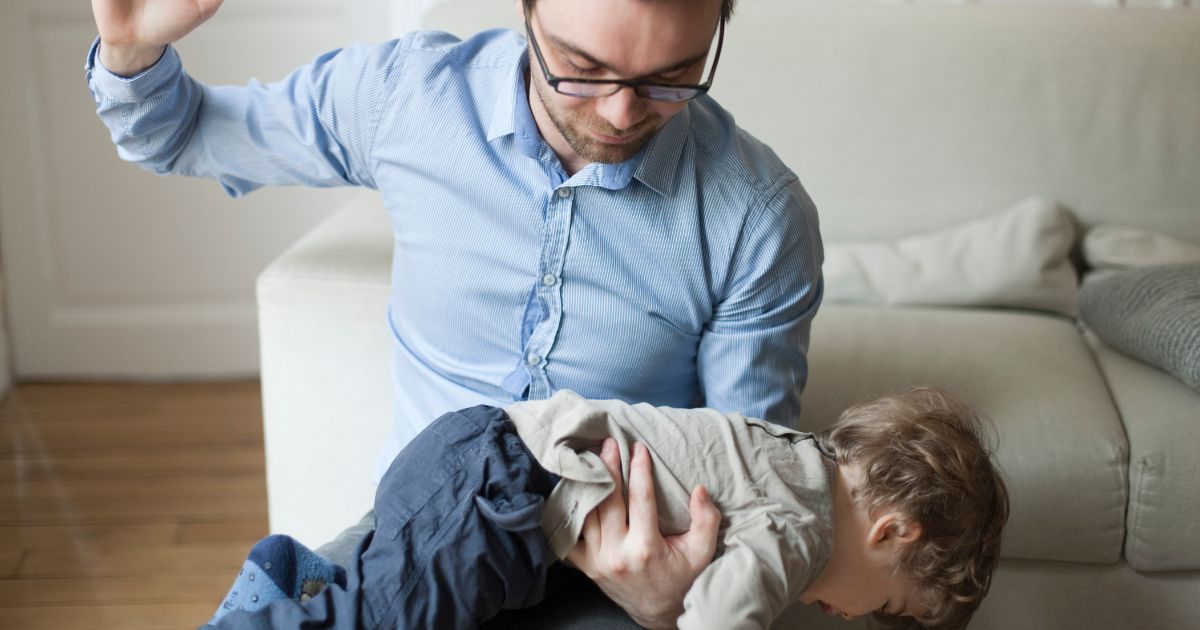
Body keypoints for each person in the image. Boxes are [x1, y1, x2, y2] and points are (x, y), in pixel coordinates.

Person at [85, 0, 824, 624]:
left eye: (669, 78)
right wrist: (130, 46)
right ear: (528, 10)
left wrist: (672, 598)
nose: (621, 112)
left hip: (615, 579)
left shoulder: (759, 217)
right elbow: (176, 134)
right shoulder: (405, 97)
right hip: (417, 536)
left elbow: (754, 475)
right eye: (583, 67)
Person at [202, 387, 1009, 630]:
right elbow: (724, 618)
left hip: (494, 492)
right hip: (498, 489)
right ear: (893, 530)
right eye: (891, 606)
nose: (849, 617)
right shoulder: (802, 524)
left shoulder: (792, 461)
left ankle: (295, 578)